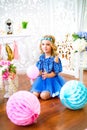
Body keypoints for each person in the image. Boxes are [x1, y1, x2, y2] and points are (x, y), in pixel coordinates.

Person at [30, 35, 66, 100]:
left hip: (51, 80)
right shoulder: (41, 58)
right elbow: (40, 70)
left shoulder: (55, 58)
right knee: (34, 94)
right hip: (42, 80)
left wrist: (48, 75)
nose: (45, 47)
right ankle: (40, 91)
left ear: (52, 46)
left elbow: (55, 72)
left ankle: (50, 92)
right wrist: (38, 73)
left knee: (43, 96)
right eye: (43, 44)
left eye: (48, 44)